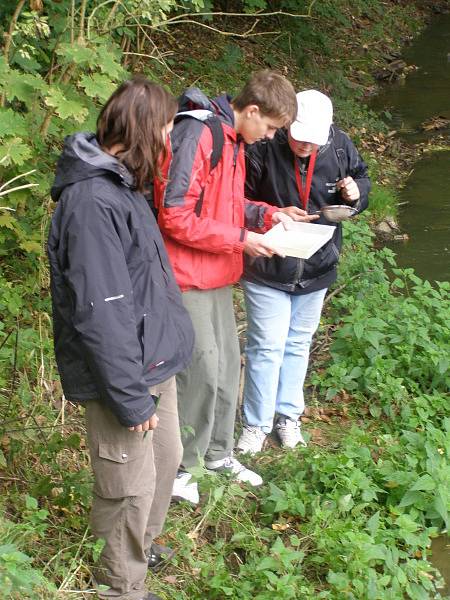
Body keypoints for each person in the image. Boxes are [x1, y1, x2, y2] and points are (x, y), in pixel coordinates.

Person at [47, 77, 195, 600]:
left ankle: (140, 549)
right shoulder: (91, 201)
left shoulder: (121, 185)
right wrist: (130, 397)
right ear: (141, 131)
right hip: (123, 374)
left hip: (152, 361)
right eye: (166, 129)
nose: (169, 142)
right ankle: (120, 585)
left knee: (165, 459)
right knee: (126, 485)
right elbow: (101, 314)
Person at [154, 70, 301, 504]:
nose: (270, 136)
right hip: (186, 276)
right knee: (198, 371)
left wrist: (268, 215)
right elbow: (174, 214)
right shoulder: (199, 134)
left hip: (218, 272)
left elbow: (226, 206)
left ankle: (217, 455)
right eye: (271, 127)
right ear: (251, 110)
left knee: (224, 368)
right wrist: (241, 240)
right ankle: (184, 467)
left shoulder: (234, 140)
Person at [236, 89, 371, 454]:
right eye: (298, 137)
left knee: (298, 344)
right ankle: (255, 425)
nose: (304, 146)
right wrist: (270, 213)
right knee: (266, 346)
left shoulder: (340, 146)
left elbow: (362, 182)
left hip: (317, 265)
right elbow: (238, 201)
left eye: (312, 141)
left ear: (326, 132)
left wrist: (355, 196)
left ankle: (288, 417)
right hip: (268, 263)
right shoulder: (263, 145)